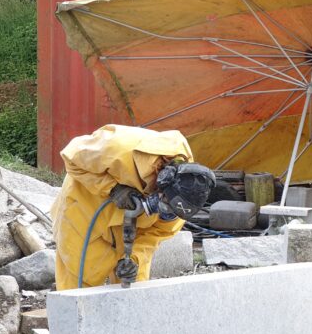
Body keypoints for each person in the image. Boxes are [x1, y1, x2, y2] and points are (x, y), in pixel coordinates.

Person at [51, 124, 215, 290]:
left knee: (135, 286)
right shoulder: (119, 148)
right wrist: (112, 188)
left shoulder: (182, 201)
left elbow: (155, 235)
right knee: (79, 283)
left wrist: (135, 259)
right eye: (164, 205)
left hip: (132, 229)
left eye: (170, 212)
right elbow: (71, 157)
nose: (163, 212)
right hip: (84, 213)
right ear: (164, 180)